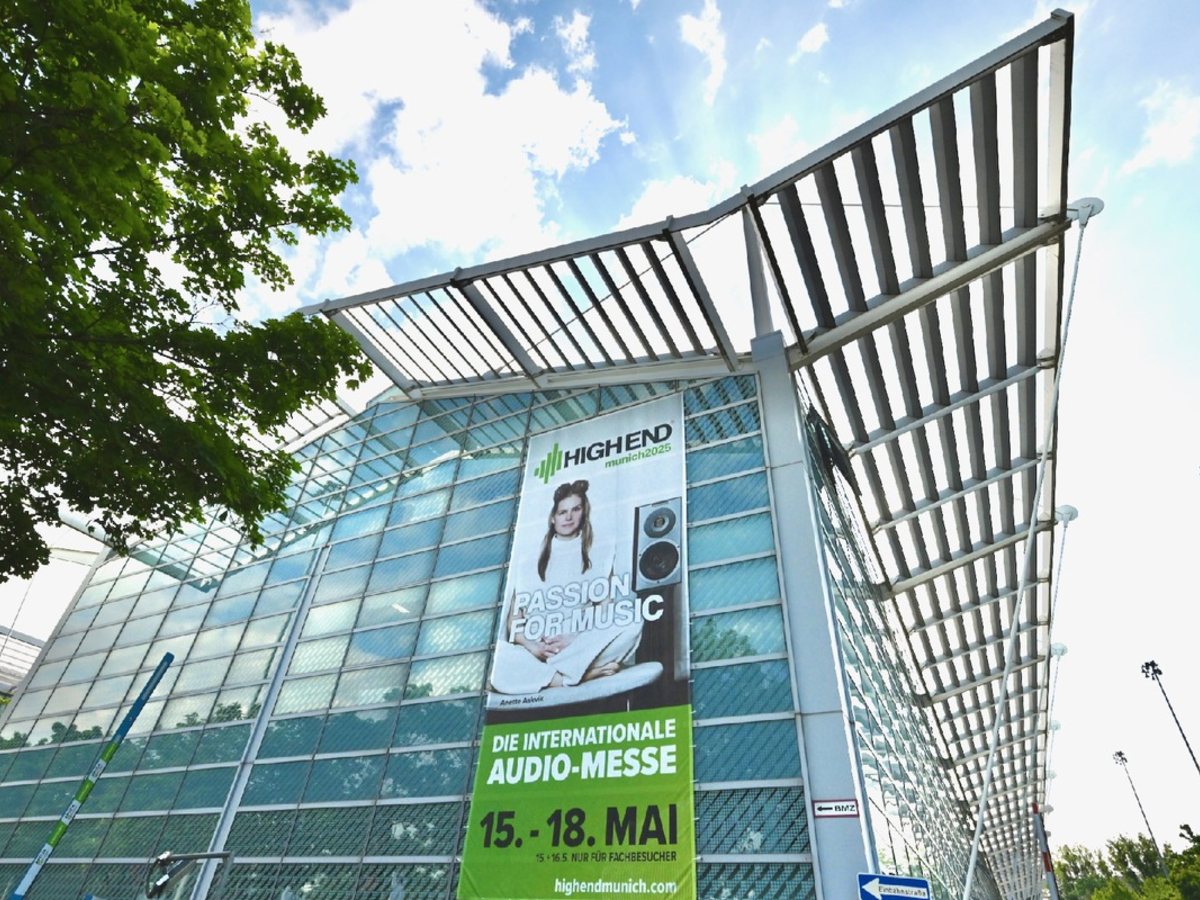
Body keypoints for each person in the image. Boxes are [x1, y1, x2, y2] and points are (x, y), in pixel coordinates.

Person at [490, 479, 642, 694]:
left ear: (584, 512)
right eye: (562, 512)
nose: (569, 517)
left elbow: (605, 609)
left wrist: (575, 639)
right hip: (537, 652)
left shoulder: (600, 549)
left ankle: (558, 674)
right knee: (499, 656)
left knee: (633, 620)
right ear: (553, 517)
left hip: (578, 645)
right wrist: (534, 647)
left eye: (575, 509)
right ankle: (576, 676)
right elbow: (514, 619)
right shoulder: (528, 557)